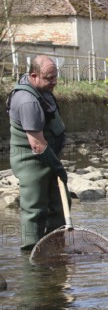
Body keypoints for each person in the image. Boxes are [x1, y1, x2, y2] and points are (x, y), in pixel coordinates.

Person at [7, 55, 68, 251]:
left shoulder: (43, 89)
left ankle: (54, 247)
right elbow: (37, 144)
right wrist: (58, 167)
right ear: (34, 76)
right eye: (49, 78)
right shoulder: (27, 101)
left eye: (55, 76)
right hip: (31, 161)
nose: (54, 82)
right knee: (34, 210)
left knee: (60, 205)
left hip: (47, 158)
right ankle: (30, 258)